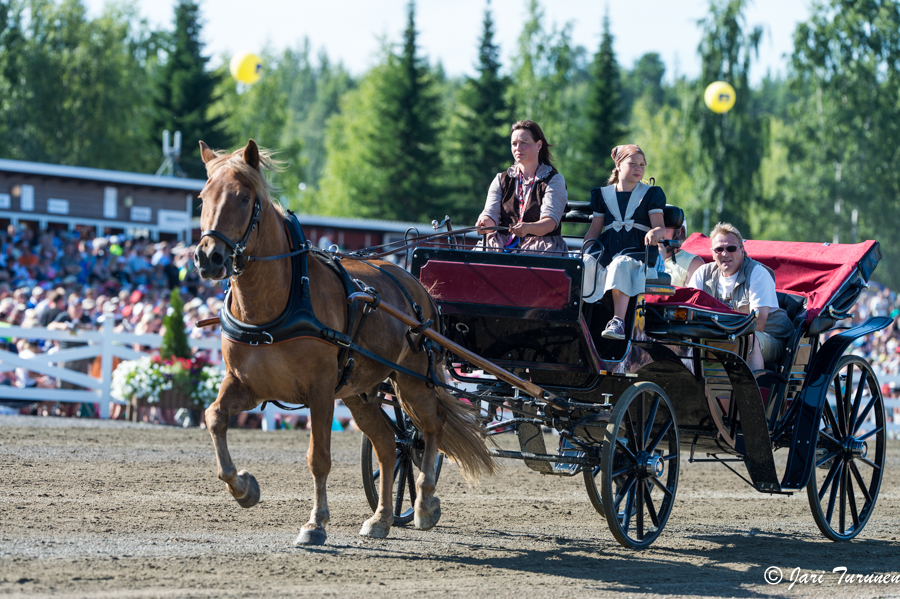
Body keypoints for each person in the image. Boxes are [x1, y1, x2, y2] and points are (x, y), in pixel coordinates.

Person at [582, 144, 665, 339]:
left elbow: (660, 227)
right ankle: (579, 317)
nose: (638, 168)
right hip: (609, 249)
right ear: (618, 165)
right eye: (633, 163)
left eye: (642, 165)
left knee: (621, 264)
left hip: (638, 251)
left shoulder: (651, 194)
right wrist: (584, 252)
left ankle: (618, 322)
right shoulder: (602, 194)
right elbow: (594, 230)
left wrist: (654, 233)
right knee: (586, 264)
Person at [686, 222, 792, 371]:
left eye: (731, 248)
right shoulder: (703, 274)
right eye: (719, 249)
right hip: (719, 337)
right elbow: (687, 309)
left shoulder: (757, 273)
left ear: (742, 250)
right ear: (712, 252)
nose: (725, 253)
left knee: (748, 340)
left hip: (770, 338)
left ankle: (751, 393)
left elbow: (758, 324)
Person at [475, 120, 568, 254]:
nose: (518, 148)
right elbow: (490, 215)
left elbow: (549, 223)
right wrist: (484, 223)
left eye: (523, 143)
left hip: (539, 245)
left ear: (539, 145)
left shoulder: (554, 180)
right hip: (502, 244)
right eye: (514, 144)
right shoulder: (500, 179)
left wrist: (528, 228)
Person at [658, 205, 704, 287]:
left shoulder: (693, 263)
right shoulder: (642, 258)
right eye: (655, 227)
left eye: (665, 226)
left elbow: (691, 298)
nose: (659, 231)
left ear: (679, 231)